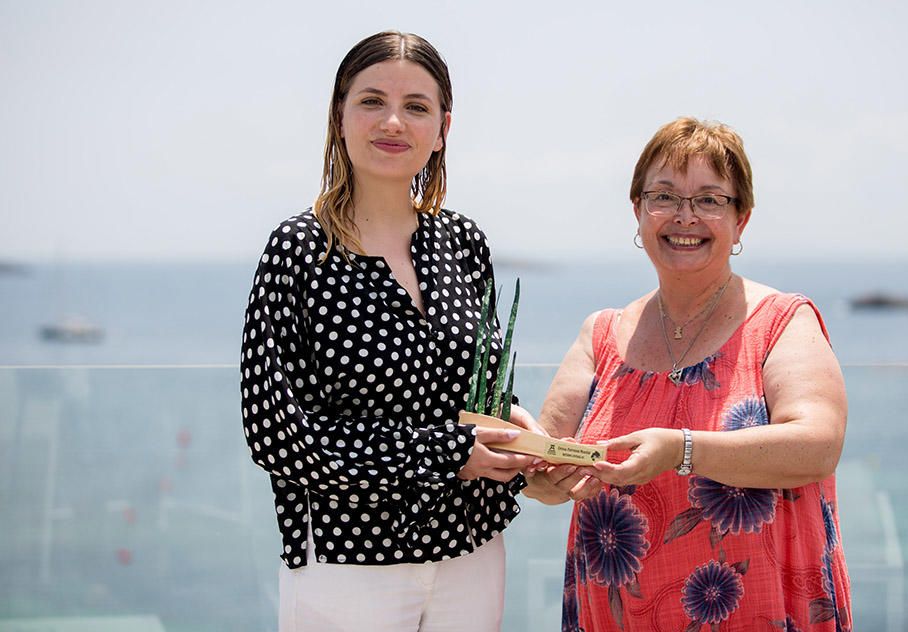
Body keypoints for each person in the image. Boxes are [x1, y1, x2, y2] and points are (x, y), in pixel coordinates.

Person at [239, 31, 538, 632]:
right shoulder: (299, 251)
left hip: (471, 551)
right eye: (372, 101)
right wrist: (448, 453)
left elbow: (473, 392)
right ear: (340, 114)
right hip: (350, 561)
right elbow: (276, 435)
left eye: (417, 106)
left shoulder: (463, 242)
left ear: (443, 126)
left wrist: (517, 427)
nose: (393, 122)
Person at [524, 117, 852, 631]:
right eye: (665, 197)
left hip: (756, 610)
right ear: (637, 211)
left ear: (741, 219)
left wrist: (681, 450)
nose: (685, 217)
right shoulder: (602, 334)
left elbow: (818, 444)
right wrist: (537, 467)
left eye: (709, 200)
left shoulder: (783, 321)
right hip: (618, 613)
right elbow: (546, 471)